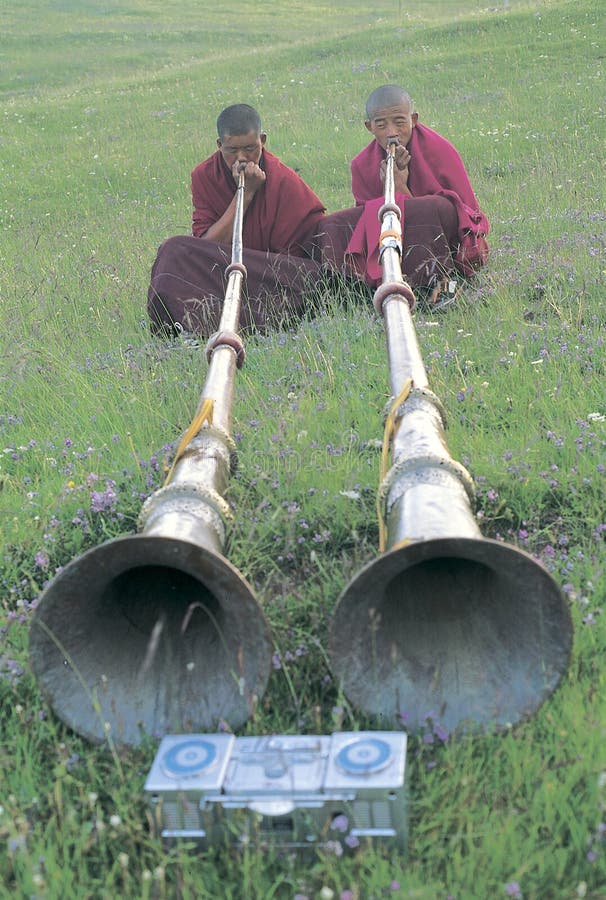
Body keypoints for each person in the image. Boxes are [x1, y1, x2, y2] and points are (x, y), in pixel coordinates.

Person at [147, 103, 354, 337]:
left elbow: (301, 259)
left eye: (250, 148)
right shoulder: (204, 175)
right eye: (231, 150)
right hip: (225, 269)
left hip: (270, 279)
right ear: (219, 146)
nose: (241, 159)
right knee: (173, 250)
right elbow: (205, 247)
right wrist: (245, 195)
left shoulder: (284, 180)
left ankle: (224, 321)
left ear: (263, 140)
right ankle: (181, 327)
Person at [345, 84, 490, 308]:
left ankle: (444, 284)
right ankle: (374, 288)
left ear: (414, 119)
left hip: (444, 243)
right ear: (369, 127)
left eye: (400, 121)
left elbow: (467, 212)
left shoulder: (440, 149)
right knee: (336, 225)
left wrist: (400, 187)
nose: (391, 132)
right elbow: (367, 223)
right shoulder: (362, 165)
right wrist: (390, 187)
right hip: (393, 243)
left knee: (435, 208)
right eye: (381, 125)